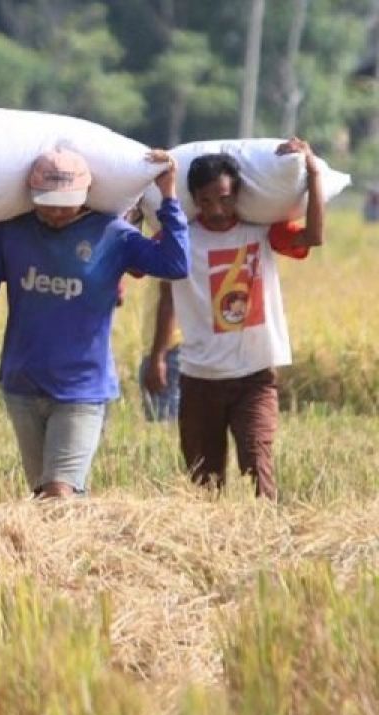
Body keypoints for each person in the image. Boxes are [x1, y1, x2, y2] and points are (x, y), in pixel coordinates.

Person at [0, 148, 189, 498]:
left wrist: (169, 196)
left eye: (67, 202)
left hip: (83, 387)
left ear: (87, 193)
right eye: (48, 201)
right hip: (23, 383)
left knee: (59, 492)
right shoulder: (8, 231)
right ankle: (80, 546)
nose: (57, 211)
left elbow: (176, 263)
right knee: (45, 495)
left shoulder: (113, 234)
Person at [154, 140, 324, 500]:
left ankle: (267, 540)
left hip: (255, 376)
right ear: (194, 200)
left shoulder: (262, 232)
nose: (217, 209)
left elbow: (312, 237)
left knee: (258, 465)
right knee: (204, 479)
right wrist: (157, 355)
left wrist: (313, 173)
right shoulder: (183, 239)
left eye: (226, 198)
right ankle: (213, 549)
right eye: (206, 201)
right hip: (200, 377)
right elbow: (151, 278)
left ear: (240, 194)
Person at [139, 279, 183, 422]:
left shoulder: (168, 257)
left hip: (168, 351)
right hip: (167, 350)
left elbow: (169, 298)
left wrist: (158, 358)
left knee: (164, 425)